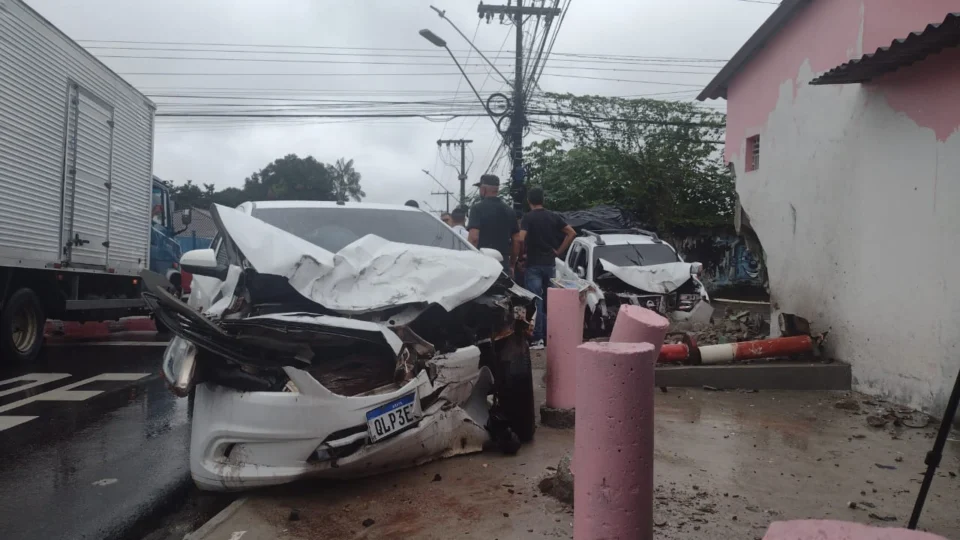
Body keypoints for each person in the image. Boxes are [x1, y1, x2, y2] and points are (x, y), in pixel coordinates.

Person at [517, 186, 576, 350]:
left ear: (529, 201)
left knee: (537, 302)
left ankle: (538, 338)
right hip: (549, 264)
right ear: (543, 200)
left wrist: (521, 256)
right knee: (552, 301)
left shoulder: (527, 218)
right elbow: (571, 233)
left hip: (533, 264)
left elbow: (521, 239)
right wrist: (558, 251)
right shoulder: (553, 217)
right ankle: (553, 336)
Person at [467, 174, 519, 275]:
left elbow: (474, 238)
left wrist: (470, 261)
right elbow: (516, 240)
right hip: (503, 265)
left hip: (482, 265)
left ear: (483, 189)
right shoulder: (509, 210)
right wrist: (512, 264)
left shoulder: (477, 209)